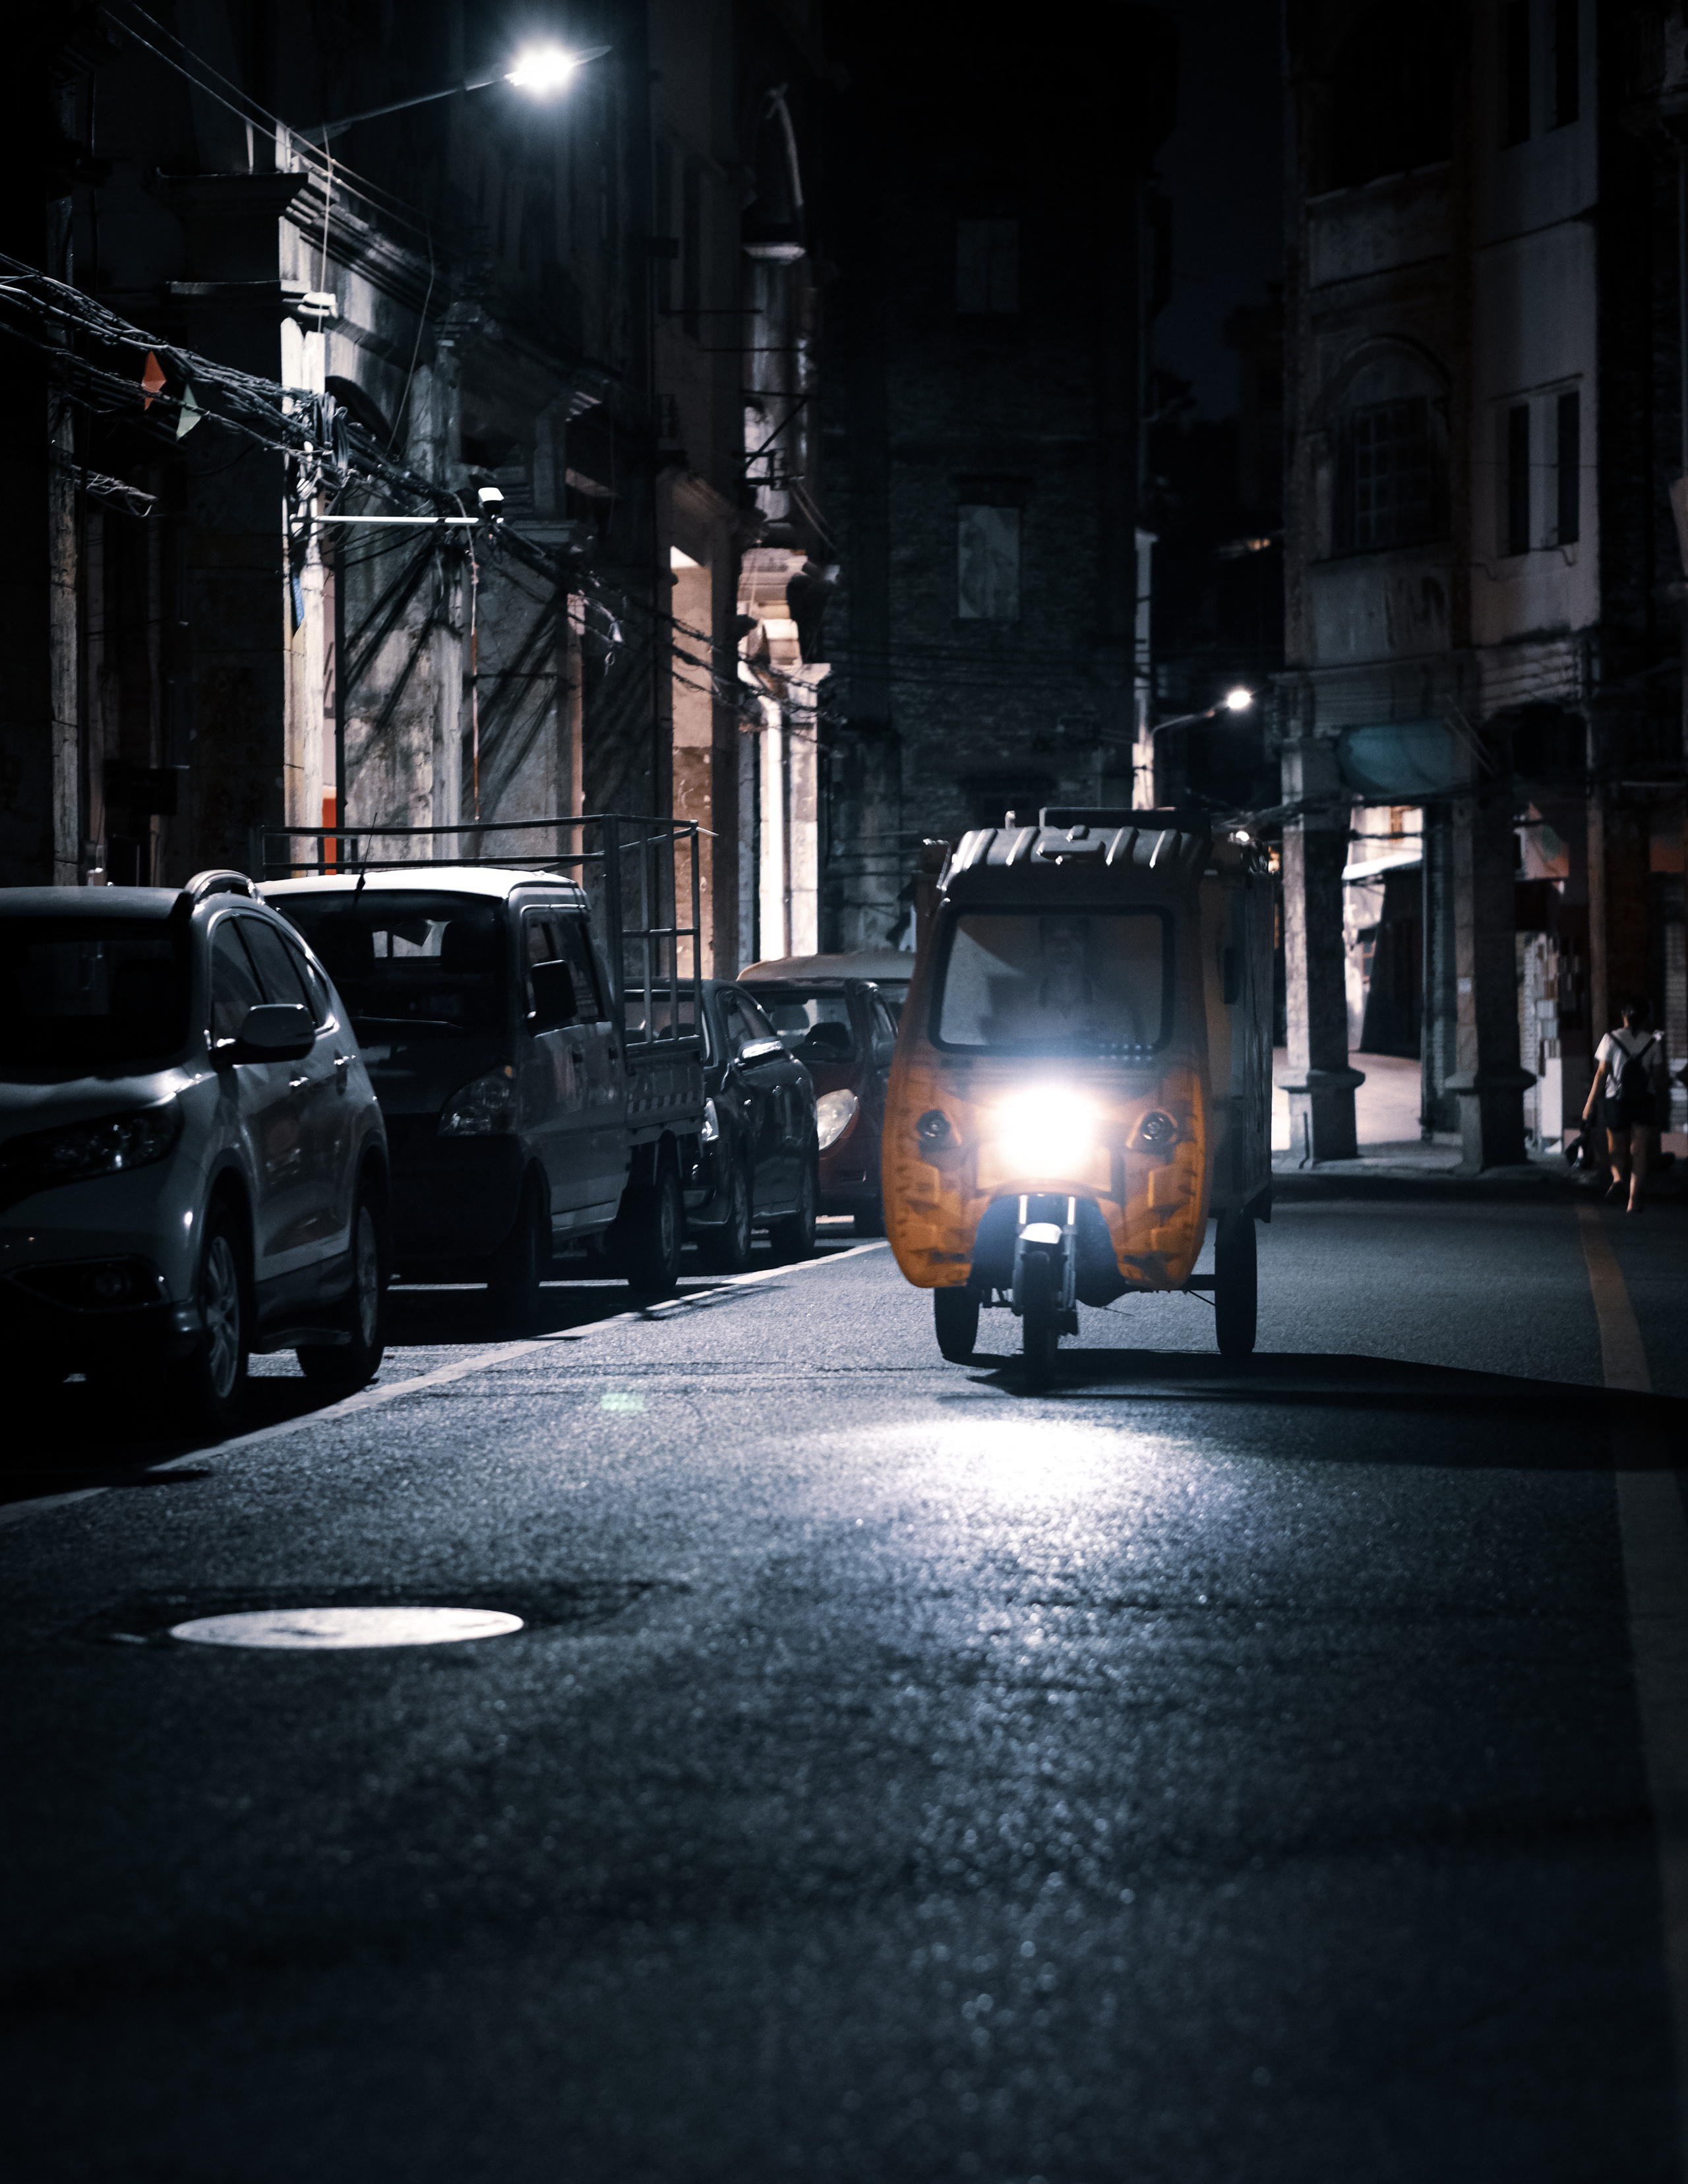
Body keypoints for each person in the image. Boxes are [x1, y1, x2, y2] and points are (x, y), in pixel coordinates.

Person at [1582, 998, 1668, 1212]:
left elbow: (1602, 1073)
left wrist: (1589, 1104)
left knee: (1616, 1147)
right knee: (1639, 1151)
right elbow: (1658, 1079)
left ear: (1624, 1016)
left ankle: (1618, 1179)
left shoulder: (1610, 1039)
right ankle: (1633, 1201)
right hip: (1643, 1101)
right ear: (1646, 1018)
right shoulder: (1653, 1042)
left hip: (1617, 1100)